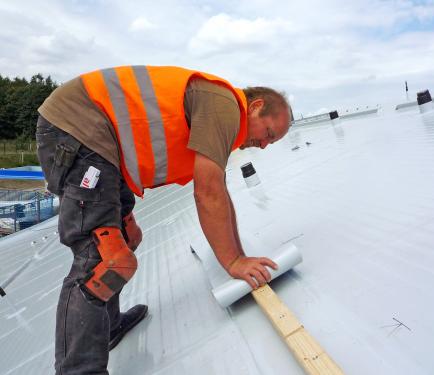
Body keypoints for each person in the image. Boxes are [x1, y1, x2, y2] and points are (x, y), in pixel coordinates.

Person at [36, 65, 291, 374]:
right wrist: (234, 261)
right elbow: (207, 192)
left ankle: (107, 327)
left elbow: (218, 191)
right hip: (78, 130)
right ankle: (78, 370)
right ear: (257, 106)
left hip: (99, 144)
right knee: (103, 257)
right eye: (269, 134)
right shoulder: (225, 105)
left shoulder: (223, 116)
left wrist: (240, 255)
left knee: (124, 239)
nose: (264, 144)